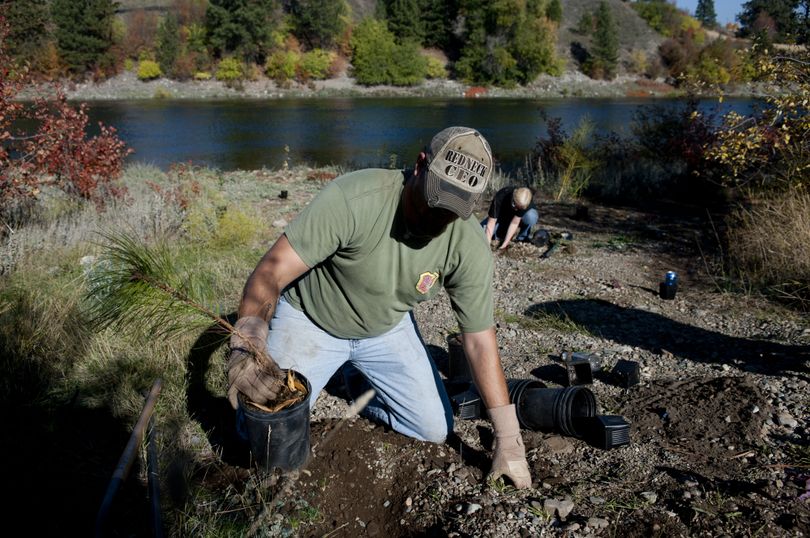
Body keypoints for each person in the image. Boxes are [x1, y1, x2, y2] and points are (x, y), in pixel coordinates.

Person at [227, 126, 531, 488]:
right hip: (312, 319)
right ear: (420, 165)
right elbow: (272, 271)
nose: (438, 218)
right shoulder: (355, 198)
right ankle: (335, 369)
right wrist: (247, 343)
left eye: (452, 209)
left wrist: (509, 438)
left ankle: (356, 381)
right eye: (436, 199)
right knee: (258, 436)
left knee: (434, 429)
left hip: (385, 327)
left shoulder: (468, 245)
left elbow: (480, 341)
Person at [482, 186, 538, 251]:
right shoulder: (501, 196)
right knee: (481, 232)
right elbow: (491, 222)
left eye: (519, 208)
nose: (516, 209)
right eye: (515, 205)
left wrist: (505, 244)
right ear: (513, 197)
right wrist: (487, 246)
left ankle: (522, 238)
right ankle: (500, 233)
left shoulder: (525, 201)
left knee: (531, 216)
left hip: (515, 220)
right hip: (500, 218)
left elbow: (515, 222)